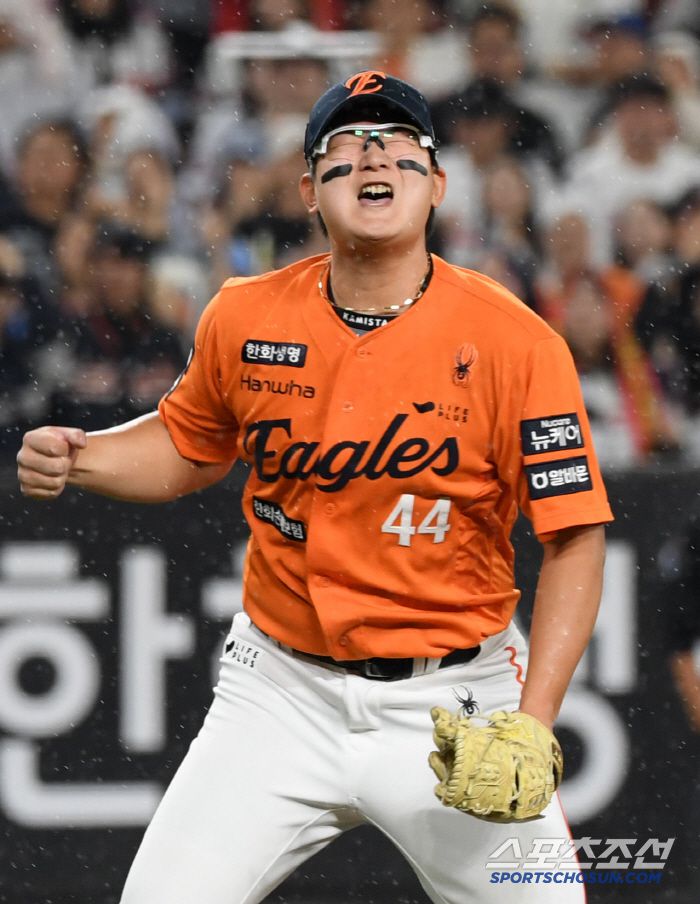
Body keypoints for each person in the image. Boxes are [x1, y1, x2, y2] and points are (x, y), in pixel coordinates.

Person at [17, 71, 612, 903]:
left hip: (457, 700)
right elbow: (190, 443)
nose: (374, 156)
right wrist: (83, 457)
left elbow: (575, 534)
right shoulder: (245, 316)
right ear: (309, 191)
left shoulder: (519, 343)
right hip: (279, 692)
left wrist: (533, 720)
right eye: (346, 146)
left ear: (438, 184)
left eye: (399, 144)